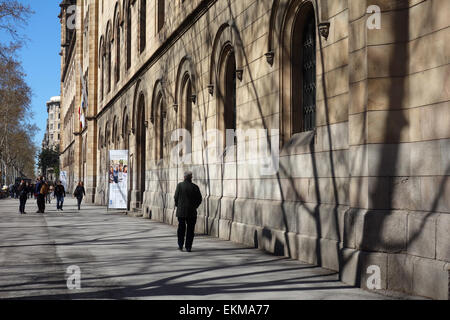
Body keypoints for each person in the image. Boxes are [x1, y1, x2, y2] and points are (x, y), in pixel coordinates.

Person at [174, 171, 203, 252]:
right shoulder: (195, 187)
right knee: (190, 230)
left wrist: (178, 206)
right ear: (191, 177)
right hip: (192, 212)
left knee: (181, 229)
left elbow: (176, 197)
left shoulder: (179, 185)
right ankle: (188, 246)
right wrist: (195, 206)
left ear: (184, 177)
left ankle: (180, 245)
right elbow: (199, 199)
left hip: (181, 212)